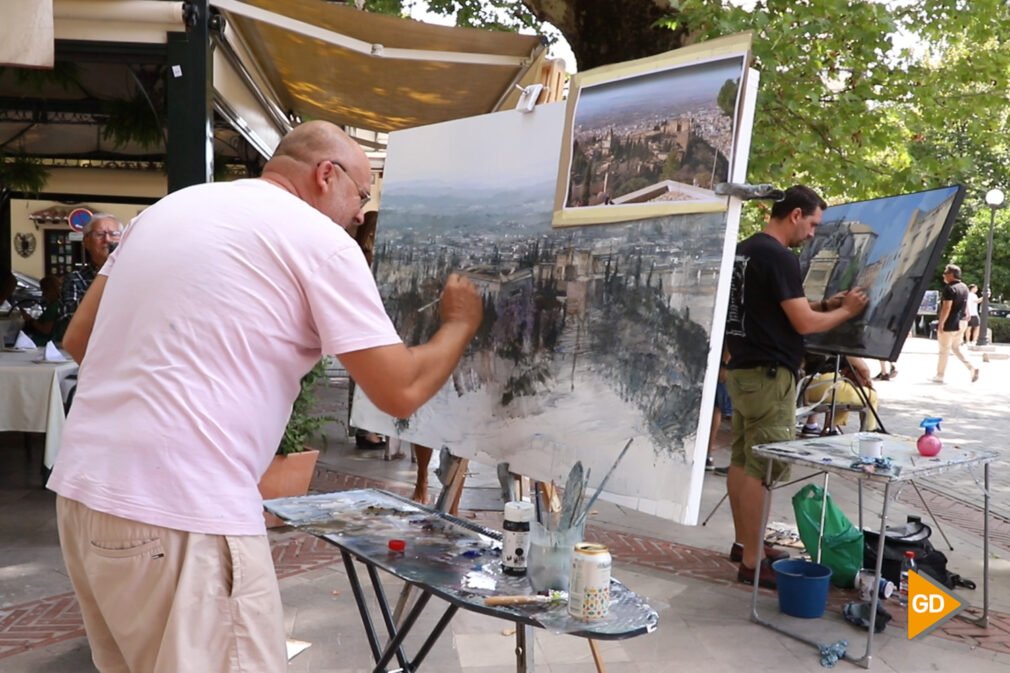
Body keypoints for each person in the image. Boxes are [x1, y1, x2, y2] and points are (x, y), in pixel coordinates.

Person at [47, 120, 483, 673]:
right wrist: (459, 325)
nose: (360, 213)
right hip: (183, 513)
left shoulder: (166, 211)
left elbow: (80, 339)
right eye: (361, 193)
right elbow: (400, 389)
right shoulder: (319, 240)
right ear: (326, 174)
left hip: (84, 495)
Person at [723, 184, 868, 588]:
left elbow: (778, 310)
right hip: (770, 374)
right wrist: (846, 312)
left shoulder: (746, 250)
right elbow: (803, 325)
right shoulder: (780, 256)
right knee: (762, 466)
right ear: (795, 215)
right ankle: (753, 563)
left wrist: (824, 304)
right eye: (813, 224)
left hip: (744, 370)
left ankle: (743, 543)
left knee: (741, 459)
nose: (812, 234)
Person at [60, 213, 123, 322]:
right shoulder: (76, 279)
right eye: (99, 234)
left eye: (114, 234)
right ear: (86, 242)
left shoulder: (132, 275)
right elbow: (70, 319)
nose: (107, 239)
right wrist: (105, 272)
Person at [802, 355, 879, 432]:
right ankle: (869, 432)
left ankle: (829, 427)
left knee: (840, 391)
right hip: (829, 385)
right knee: (872, 396)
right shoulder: (842, 344)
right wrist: (869, 383)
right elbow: (864, 369)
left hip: (806, 388)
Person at [933, 264, 978, 383]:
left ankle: (940, 375)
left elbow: (947, 307)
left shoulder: (949, 288)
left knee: (944, 350)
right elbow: (965, 303)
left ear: (951, 275)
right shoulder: (964, 287)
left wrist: (941, 323)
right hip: (962, 322)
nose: (944, 275)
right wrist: (967, 313)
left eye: (945, 273)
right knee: (956, 347)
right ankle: (972, 367)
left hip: (950, 323)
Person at [21, 275, 63, 345]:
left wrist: (30, 320)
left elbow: (46, 330)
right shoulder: (59, 305)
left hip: (43, 343)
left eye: (45, 291)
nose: (43, 294)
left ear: (51, 290)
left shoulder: (53, 307)